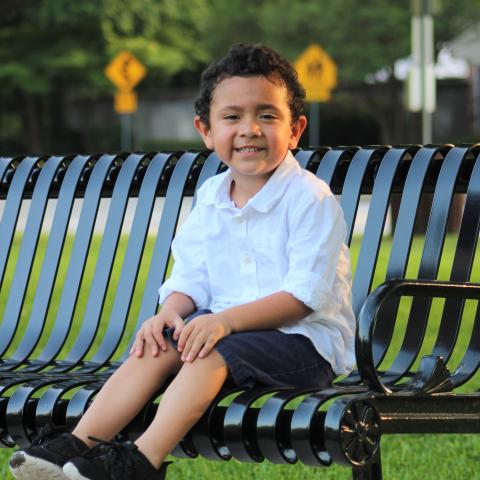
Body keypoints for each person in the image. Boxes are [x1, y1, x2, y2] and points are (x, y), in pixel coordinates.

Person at [9, 43, 356, 480]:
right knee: (161, 342)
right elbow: (191, 275)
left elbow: (303, 298)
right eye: (232, 117)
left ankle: (140, 462)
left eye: (267, 116)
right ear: (206, 131)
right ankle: (80, 443)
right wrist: (170, 313)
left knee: (209, 349)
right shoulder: (212, 196)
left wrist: (225, 322)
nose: (249, 129)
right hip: (227, 335)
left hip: (304, 345)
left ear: (295, 129)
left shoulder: (309, 198)